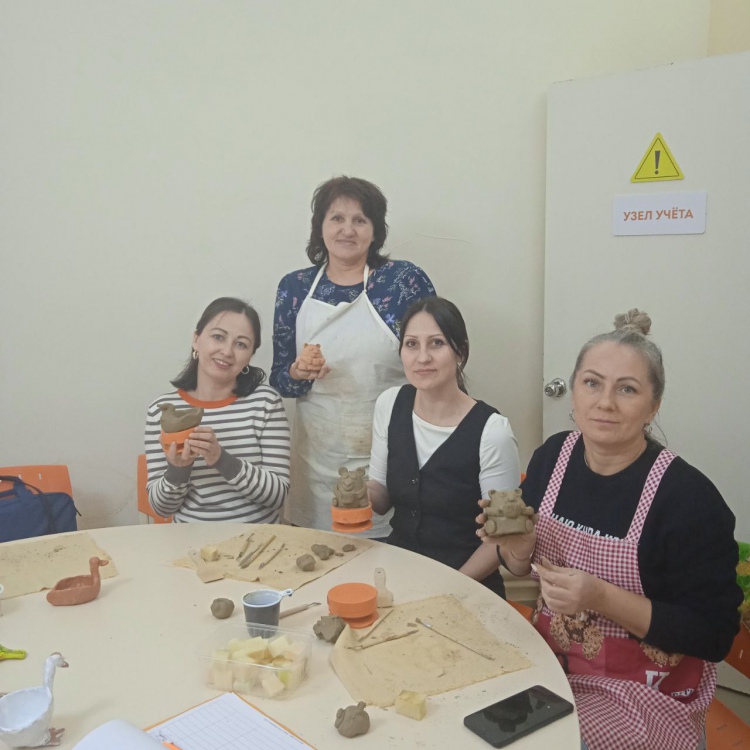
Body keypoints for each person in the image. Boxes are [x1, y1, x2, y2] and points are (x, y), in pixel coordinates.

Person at [479, 309, 741, 750]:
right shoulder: (552, 458)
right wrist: (519, 548)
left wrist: (600, 597)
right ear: (573, 392)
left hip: (645, 696)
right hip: (549, 665)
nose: (605, 402)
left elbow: (713, 635)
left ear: (654, 406)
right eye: (592, 383)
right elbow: (520, 567)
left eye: (627, 389)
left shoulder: (688, 499)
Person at [271, 176, 435, 535]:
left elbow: (436, 362)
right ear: (320, 227)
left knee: (390, 553)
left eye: (360, 220)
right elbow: (280, 380)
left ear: (375, 231)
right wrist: (299, 372)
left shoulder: (402, 281)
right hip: (316, 460)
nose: (348, 230)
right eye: (337, 218)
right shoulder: (294, 288)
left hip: (393, 454)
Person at [367, 297, 521, 596]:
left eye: (436, 343)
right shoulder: (390, 404)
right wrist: (358, 495)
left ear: (460, 352)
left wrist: (449, 588)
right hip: (400, 575)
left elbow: (501, 539)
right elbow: (381, 498)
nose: (422, 357)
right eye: (412, 344)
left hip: (467, 586)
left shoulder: (493, 432)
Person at [146, 297, 290, 523]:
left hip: (258, 539)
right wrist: (178, 470)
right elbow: (161, 509)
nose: (227, 351)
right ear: (196, 340)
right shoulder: (162, 412)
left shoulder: (266, 402)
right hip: (190, 540)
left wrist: (221, 459)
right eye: (218, 337)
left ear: (250, 356)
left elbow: (277, 496)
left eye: (241, 344)